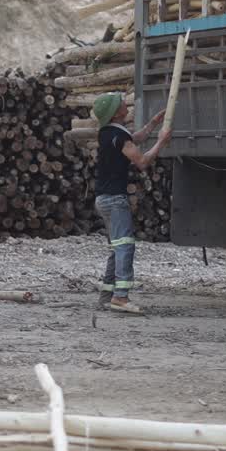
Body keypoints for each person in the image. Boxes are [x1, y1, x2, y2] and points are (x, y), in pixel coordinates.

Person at [90, 92, 171, 315]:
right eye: (122, 104)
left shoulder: (109, 133)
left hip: (103, 199)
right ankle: (121, 297)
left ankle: (107, 295)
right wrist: (162, 142)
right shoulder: (118, 137)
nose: (126, 105)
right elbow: (143, 161)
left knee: (117, 247)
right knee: (125, 245)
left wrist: (154, 123)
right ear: (117, 113)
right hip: (115, 199)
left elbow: (137, 138)